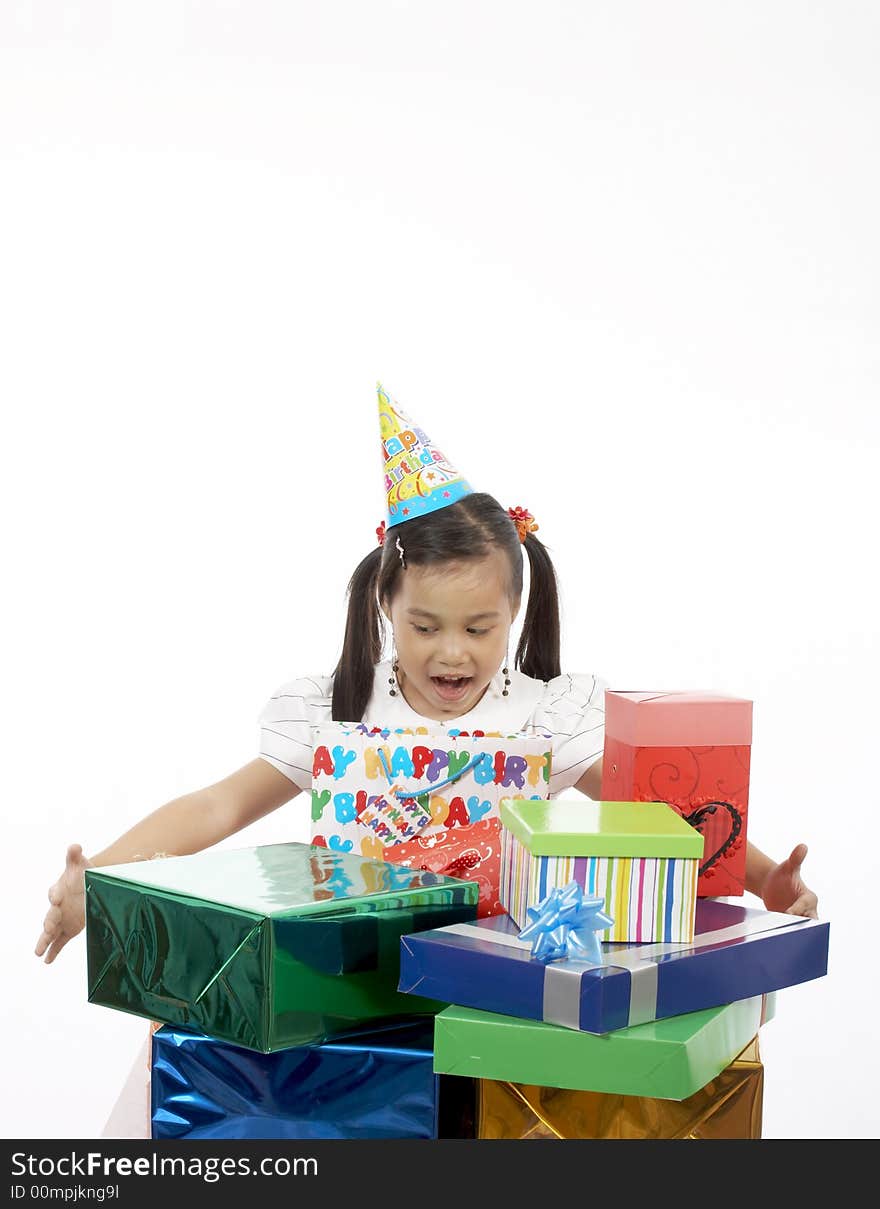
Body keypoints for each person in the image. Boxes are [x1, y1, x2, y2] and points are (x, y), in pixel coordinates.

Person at [34, 387, 819, 967]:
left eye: (480, 629)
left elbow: (659, 818)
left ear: (515, 611)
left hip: (495, 988)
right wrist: (98, 877)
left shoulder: (541, 717)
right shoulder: (338, 710)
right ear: (385, 602)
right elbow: (218, 804)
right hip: (353, 984)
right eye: (425, 626)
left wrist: (762, 880)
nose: (453, 653)